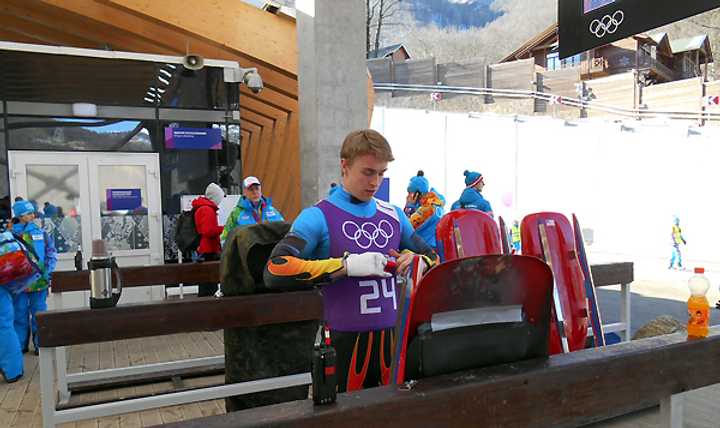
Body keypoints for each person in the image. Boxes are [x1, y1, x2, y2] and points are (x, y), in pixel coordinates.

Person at [264, 129, 438, 393]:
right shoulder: (318, 216)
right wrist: (345, 266)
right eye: (368, 172)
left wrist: (420, 261)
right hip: (343, 343)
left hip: (394, 341)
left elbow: (434, 258)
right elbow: (275, 269)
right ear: (344, 166)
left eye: (381, 173)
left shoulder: (393, 215)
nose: (375, 182)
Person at [11, 200, 57, 355]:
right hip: (19, 284)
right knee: (19, 315)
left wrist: (48, 271)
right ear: (19, 215)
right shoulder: (10, 235)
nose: (33, 215)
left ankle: (40, 344)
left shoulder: (41, 233)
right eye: (28, 213)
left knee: (39, 314)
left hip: (39, 281)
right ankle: (20, 346)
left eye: (32, 212)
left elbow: (51, 252)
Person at [221, 176, 284, 242]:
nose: (255, 192)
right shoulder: (237, 212)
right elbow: (224, 237)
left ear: (260, 190)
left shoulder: (271, 210)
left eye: (257, 189)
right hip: (246, 250)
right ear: (244, 192)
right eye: (251, 189)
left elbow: (284, 231)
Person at [193, 183, 225, 297]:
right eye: (220, 198)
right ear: (215, 197)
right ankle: (208, 304)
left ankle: (206, 302)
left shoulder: (203, 208)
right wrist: (224, 228)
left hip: (205, 249)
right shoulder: (207, 209)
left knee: (207, 280)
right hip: (208, 249)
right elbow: (208, 231)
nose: (220, 201)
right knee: (209, 281)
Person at [403, 170, 445, 251]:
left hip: (426, 250)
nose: (408, 196)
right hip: (431, 246)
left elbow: (406, 227)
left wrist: (409, 207)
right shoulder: (434, 204)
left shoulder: (427, 209)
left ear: (417, 193)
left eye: (409, 192)